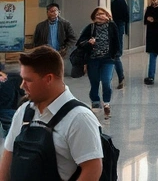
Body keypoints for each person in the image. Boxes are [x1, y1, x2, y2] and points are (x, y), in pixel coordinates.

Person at [0, 46, 103, 181]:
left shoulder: (79, 118)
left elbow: (92, 169)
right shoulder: (24, 111)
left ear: (49, 79)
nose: (22, 85)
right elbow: (8, 155)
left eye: (28, 80)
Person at [77, 8, 120, 121]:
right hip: (93, 59)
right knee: (94, 82)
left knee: (106, 81)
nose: (100, 16)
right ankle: (95, 102)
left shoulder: (112, 26)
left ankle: (106, 104)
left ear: (107, 16)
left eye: (102, 14)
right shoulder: (90, 28)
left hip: (108, 59)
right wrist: (88, 42)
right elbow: (80, 43)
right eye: (97, 14)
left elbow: (117, 41)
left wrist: (115, 56)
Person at [109, 0, 129, 90]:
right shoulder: (109, 2)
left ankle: (121, 78)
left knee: (116, 55)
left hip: (119, 25)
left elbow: (125, 15)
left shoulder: (121, 2)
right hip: (115, 26)